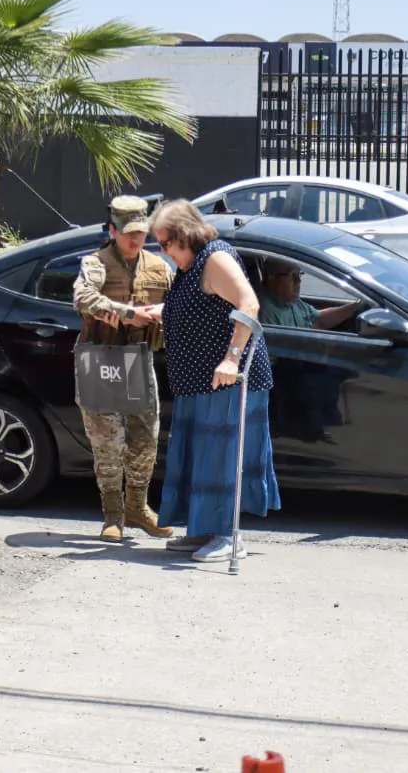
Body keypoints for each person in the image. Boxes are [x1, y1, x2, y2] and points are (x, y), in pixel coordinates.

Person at [140, 200, 280, 562]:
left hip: (225, 378)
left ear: (185, 236)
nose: (163, 251)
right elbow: (197, 307)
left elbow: (248, 305)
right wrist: (151, 312)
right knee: (200, 455)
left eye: (165, 243)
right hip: (198, 380)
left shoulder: (216, 258)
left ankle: (228, 536)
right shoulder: (191, 266)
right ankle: (203, 529)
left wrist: (232, 358)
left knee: (221, 456)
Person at [72, 196, 174, 543]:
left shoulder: (159, 267)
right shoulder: (96, 262)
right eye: (128, 233)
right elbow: (83, 297)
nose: (136, 240)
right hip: (101, 358)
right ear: (113, 231)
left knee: (146, 438)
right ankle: (112, 515)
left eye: (142, 233)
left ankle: (137, 507)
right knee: (107, 443)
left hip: (138, 359)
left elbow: (179, 303)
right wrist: (130, 314)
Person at [257, 260, 363, 330]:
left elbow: (317, 319)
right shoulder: (265, 311)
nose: (298, 280)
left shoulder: (291, 301)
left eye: (299, 274)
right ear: (272, 277)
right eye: (292, 275)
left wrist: (355, 307)